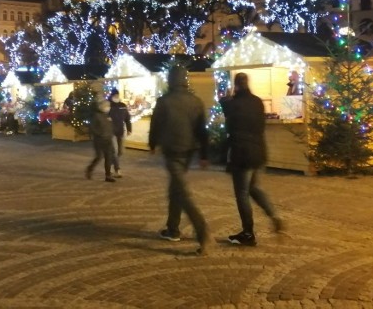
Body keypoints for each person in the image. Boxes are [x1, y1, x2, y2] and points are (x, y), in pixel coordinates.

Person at [148, 65, 214, 256]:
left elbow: (156, 124)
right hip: (189, 151)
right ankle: (172, 228)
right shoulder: (196, 101)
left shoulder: (164, 101)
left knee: (182, 193)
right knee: (176, 189)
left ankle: (203, 233)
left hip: (172, 150)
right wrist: (203, 155)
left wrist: (152, 144)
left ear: (170, 80)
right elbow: (202, 130)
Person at [220, 72, 284, 247]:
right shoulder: (257, 102)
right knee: (254, 188)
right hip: (258, 151)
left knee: (242, 194)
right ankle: (273, 215)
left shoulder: (233, 104)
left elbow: (228, 121)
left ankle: (248, 233)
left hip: (242, 153)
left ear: (236, 85)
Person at [86, 99, 116, 182]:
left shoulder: (107, 116)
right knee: (99, 156)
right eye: (107, 106)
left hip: (108, 139)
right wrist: (100, 134)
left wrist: (111, 133)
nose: (108, 108)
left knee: (108, 157)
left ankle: (108, 176)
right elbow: (92, 128)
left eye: (109, 106)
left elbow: (110, 126)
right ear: (102, 107)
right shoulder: (96, 116)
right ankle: (90, 169)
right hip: (99, 140)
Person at [108, 88, 132, 178]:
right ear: (112, 96)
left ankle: (109, 165)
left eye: (117, 95)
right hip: (111, 132)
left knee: (120, 152)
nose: (116, 97)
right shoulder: (108, 105)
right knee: (115, 150)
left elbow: (127, 118)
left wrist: (129, 128)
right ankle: (117, 169)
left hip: (120, 131)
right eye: (115, 95)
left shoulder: (123, 105)